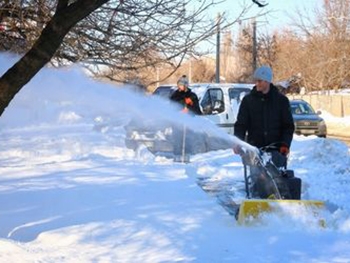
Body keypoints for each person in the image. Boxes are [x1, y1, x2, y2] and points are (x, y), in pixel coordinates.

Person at [233, 65, 297, 199]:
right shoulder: (248, 101)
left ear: (267, 81)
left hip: (277, 150)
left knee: (277, 183)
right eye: (256, 80)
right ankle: (260, 214)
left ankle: (282, 211)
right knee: (258, 184)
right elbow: (241, 124)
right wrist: (237, 141)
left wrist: (285, 144)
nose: (257, 83)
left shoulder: (281, 101)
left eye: (260, 81)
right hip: (255, 149)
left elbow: (288, 126)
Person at [170, 75, 201, 162]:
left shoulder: (192, 96)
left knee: (188, 140)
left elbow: (198, 111)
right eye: (178, 84)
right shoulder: (174, 96)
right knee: (177, 140)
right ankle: (177, 158)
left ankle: (186, 159)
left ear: (186, 85)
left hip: (188, 123)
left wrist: (190, 107)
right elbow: (170, 108)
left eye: (181, 85)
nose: (179, 86)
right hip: (176, 123)